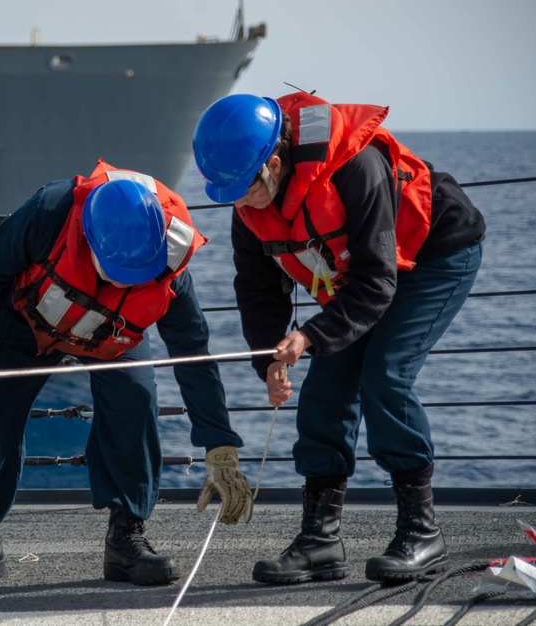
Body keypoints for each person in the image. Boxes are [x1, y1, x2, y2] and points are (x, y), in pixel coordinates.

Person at [192, 93, 486, 584]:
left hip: (435, 254)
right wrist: (270, 359)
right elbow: (259, 293)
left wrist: (308, 335)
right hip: (365, 273)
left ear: (277, 163)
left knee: (385, 375)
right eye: (230, 193)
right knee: (326, 390)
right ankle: (320, 541)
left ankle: (422, 530)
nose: (239, 202)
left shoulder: (356, 169)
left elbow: (376, 283)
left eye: (245, 189)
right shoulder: (248, 205)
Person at [0, 159, 253, 588]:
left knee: (135, 398)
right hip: (25, 319)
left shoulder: (172, 266)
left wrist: (219, 445)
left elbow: (192, 356)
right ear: (89, 236)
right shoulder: (50, 211)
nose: (123, 282)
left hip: (111, 332)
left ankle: (126, 538)